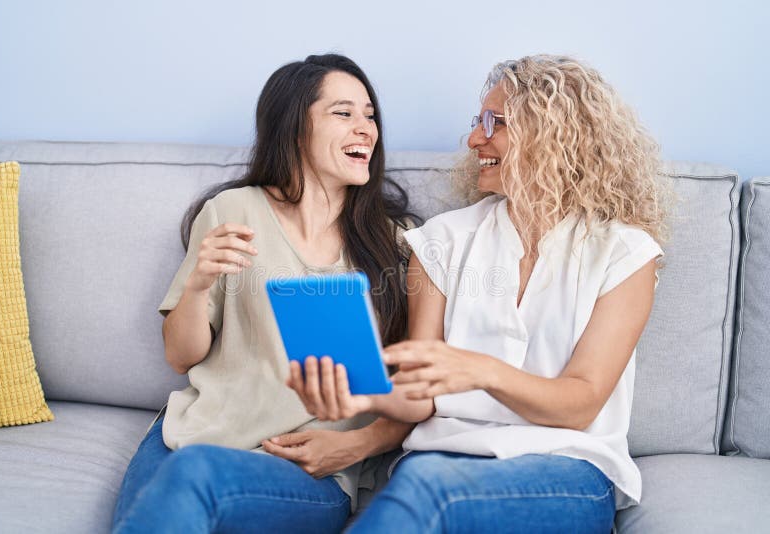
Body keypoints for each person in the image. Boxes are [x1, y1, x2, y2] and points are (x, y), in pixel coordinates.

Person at [288, 55, 672, 533]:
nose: (474, 139)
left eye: (495, 123)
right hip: (437, 460)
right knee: (422, 484)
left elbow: (580, 404)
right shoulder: (441, 240)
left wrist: (480, 370)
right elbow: (419, 399)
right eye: (478, 122)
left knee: (426, 494)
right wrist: (361, 393)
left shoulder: (623, 253)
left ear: (552, 135)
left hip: (564, 468)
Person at [111, 54, 418, 534]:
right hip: (194, 438)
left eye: (370, 115)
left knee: (192, 479)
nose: (366, 129)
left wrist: (356, 446)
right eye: (343, 113)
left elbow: (420, 388)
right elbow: (179, 356)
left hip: (306, 468)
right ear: (296, 128)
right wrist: (197, 285)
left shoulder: (397, 242)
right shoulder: (232, 211)